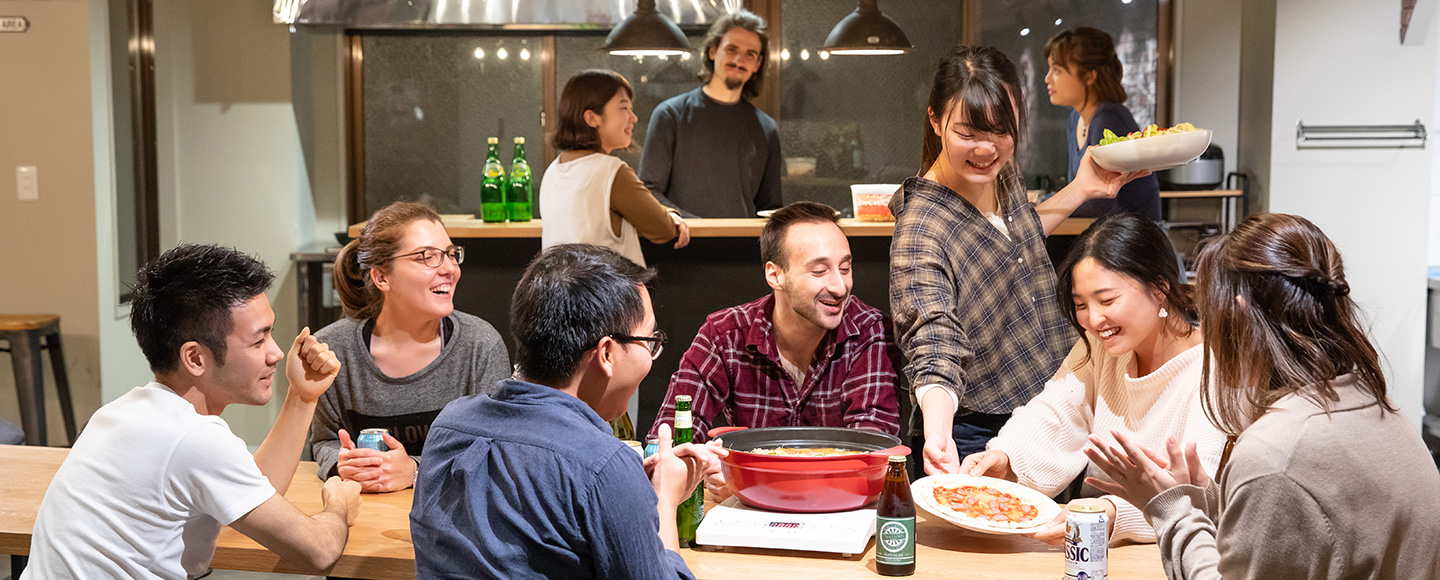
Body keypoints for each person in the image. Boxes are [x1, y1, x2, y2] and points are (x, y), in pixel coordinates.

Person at [1086, 213, 1440, 578]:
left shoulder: (1277, 452)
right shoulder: (1374, 404)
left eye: (1208, 315)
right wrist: (1209, 500)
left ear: (1238, 313)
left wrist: (1169, 509)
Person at [23, 245, 361, 579]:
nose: (276, 353)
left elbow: (253, 493)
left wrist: (302, 396)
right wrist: (338, 502)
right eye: (258, 341)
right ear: (195, 358)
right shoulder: (194, 439)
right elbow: (320, 552)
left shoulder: (118, 414)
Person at [889, 45, 1148, 476]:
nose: (987, 148)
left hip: (1053, 402)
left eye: (1002, 130)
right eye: (968, 133)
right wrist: (937, 429)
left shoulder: (997, 169)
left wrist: (1082, 188)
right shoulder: (921, 228)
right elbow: (932, 338)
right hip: (979, 429)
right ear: (935, 121)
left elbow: (1011, 236)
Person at [410, 244, 725, 579]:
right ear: (606, 353)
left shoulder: (450, 425)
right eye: (650, 341)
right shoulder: (604, 465)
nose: (652, 352)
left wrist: (630, 494)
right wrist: (664, 498)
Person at [959, 213, 1225, 546]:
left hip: (1176, 557)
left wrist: (1113, 513)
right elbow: (1054, 412)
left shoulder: (1215, 366)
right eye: (1080, 304)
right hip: (1092, 545)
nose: (1094, 319)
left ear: (1159, 288)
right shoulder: (1103, 348)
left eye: (1107, 300)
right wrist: (1006, 458)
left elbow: (1201, 497)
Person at [648, 201, 900, 444]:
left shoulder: (868, 331)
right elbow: (670, 437)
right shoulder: (725, 334)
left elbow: (874, 449)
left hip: (840, 489)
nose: (839, 287)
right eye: (820, 271)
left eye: (845, 269)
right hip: (745, 489)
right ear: (775, 275)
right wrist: (707, 467)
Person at [310, 201, 510, 493]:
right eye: (427, 257)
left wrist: (416, 471)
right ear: (381, 277)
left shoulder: (480, 345)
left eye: (451, 255)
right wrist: (343, 464)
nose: (450, 269)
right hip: (359, 517)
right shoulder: (334, 349)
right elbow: (324, 441)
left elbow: (494, 454)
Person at [639, 9, 783, 218]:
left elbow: (771, 207)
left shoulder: (766, 128)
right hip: (682, 245)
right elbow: (649, 191)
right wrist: (699, 227)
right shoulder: (670, 115)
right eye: (731, 49)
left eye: (750, 54)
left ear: (757, 64)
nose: (738, 59)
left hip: (743, 248)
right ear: (713, 51)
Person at [541, 69, 690, 267]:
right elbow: (663, 230)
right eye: (624, 108)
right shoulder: (611, 170)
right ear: (592, 118)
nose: (634, 118)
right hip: (608, 295)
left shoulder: (554, 169)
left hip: (559, 293)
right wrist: (671, 215)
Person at [1044, 27, 1161, 220]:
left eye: (1056, 70)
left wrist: (1038, 201)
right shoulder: (1076, 119)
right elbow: (1079, 193)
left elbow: (1098, 205)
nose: (1047, 78)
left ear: (1090, 76)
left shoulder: (1109, 119)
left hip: (1137, 242)